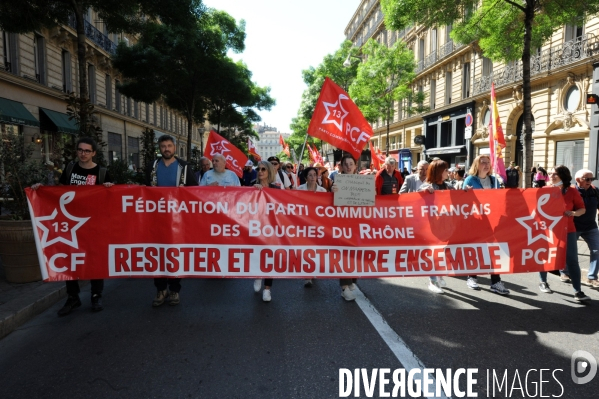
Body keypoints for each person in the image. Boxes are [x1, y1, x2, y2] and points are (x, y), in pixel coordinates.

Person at [32, 137, 114, 316]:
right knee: (70, 259)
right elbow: (58, 192)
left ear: (93, 153)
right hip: (70, 223)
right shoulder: (70, 169)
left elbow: (109, 198)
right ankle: (73, 297)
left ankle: (96, 295)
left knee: (94, 260)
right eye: (80, 150)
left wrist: (109, 187)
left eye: (87, 151)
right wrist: (41, 190)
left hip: (93, 224)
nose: (83, 153)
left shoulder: (101, 172)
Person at [146, 135, 198, 307]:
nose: (166, 149)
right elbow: (144, 192)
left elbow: (195, 192)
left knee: (176, 253)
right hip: (156, 219)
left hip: (177, 219)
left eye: (169, 146)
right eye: (163, 146)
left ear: (175, 148)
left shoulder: (184, 167)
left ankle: (174, 289)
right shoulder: (152, 166)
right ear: (159, 148)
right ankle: (160, 289)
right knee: (157, 253)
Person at [537, 166, 591, 302]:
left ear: (563, 175)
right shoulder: (544, 190)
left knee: (572, 260)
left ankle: (578, 291)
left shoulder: (572, 192)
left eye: (555, 174)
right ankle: (543, 282)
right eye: (550, 174)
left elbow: (582, 209)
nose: (551, 176)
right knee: (545, 256)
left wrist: (573, 213)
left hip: (568, 230)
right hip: (548, 230)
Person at [463, 154, 510, 295]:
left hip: (493, 221)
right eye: (483, 162)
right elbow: (463, 202)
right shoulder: (470, 180)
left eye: (488, 162)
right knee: (476, 249)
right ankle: (472, 277)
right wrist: (465, 193)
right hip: (476, 221)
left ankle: (496, 282)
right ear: (477, 165)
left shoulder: (494, 180)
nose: (486, 165)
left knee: (495, 250)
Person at [418, 159, 458, 294]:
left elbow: (459, 197)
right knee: (434, 253)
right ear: (439, 171)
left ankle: (439, 275)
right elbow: (415, 199)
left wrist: (466, 192)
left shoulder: (448, 186)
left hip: (446, 226)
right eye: (446, 170)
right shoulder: (427, 186)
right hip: (431, 227)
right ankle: (432, 280)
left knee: (442, 253)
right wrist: (424, 192)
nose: (448, 172)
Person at [331, 154, 360, 301]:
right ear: (341, 167)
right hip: (342, 225)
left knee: (355, 254)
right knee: (344, 254)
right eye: (346, 164)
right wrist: (332, 192)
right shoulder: (336, 183)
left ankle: (352, 280)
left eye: (351, 163)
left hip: (357, 224)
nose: (348, 166)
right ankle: (344, 287)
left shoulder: (363, 183)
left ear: (355, 166)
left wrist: (373, 195)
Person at [251, 160, 280, 302]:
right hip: (256, 227)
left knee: (270, 257)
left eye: (263, 169)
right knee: (258, 254)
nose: (260, 171)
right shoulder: (252, 186)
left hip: (272, 228)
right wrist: (253, 191)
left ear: (269, 172)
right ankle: (258, 275)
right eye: (258, 169)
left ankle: (267, 289)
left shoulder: (276, 189)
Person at [297, 166, 327, 287]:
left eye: (315, 175)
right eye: (310, 175)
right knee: (306, 249)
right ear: (305, 177)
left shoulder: (322, 191)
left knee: (315, 249)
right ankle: (307, 276)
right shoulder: (299, 189)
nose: (313, 177)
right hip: (304, 224)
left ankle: (313, 269)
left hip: (317, 225)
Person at [574, 169, 599, 288]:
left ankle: (592, 277)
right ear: (578, 180)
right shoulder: (571, 192)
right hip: (574, 226)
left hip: (591, 226)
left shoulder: (595, 191)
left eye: (592, 179)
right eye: (587, 179)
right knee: (570, 251)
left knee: (597, 250)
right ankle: (565, 272)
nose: (590, 181)